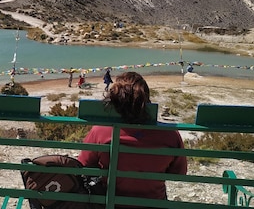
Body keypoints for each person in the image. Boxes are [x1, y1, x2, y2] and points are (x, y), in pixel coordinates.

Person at [78, 72, 187, 205]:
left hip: (111, 203)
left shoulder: (101, 131)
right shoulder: (170, 134)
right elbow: (178, 174)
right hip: (154, 204)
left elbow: (84, 166)